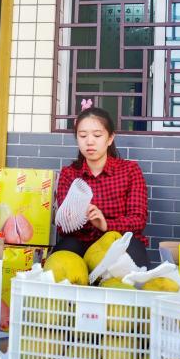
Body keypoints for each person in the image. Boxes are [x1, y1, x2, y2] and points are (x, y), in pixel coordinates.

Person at [53, 102, 151, 268]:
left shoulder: (130, 170)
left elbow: (138, 220)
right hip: (81, 243)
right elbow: (63, 228)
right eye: (82, 136)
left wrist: (106, 224)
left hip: (118, 241)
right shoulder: (69, 174)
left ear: (110, 138)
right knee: (63, 253)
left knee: (134, 253)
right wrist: (75, 217)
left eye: (97, 135)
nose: (89, 142)